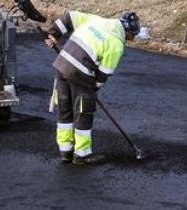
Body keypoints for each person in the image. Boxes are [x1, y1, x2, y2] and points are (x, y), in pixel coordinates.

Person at [48, 9, 141, 165]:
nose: (130, 39)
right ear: (127, 31)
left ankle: (65, 152)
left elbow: (70, 16)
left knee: (65, 111)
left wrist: (54, 33)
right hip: (81, 73)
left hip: (61, 65)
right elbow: (103, 74)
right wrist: (93, 89)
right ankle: (81, 155)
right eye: (132, 36)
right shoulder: (116, 44)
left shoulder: (97, 20)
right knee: (83, 112)